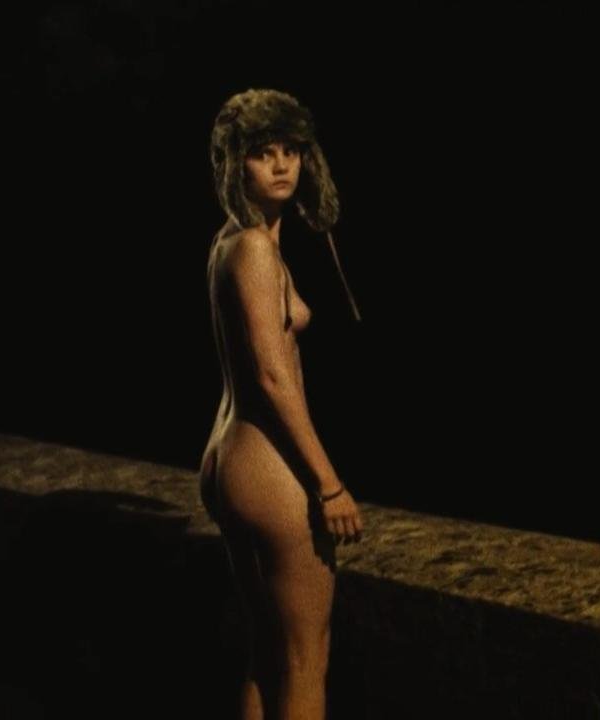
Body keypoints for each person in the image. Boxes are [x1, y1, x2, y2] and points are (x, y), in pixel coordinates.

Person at [198, 87, 364, 720]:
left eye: (291, 150)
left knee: (267, 652)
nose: (281, 165)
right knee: (304, 660)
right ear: (234, 163)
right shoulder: (256, 250)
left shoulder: (227, 242)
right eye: (263, 152)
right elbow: (271, 376)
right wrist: (328, 484)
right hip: (267, 465)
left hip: (228, 456)